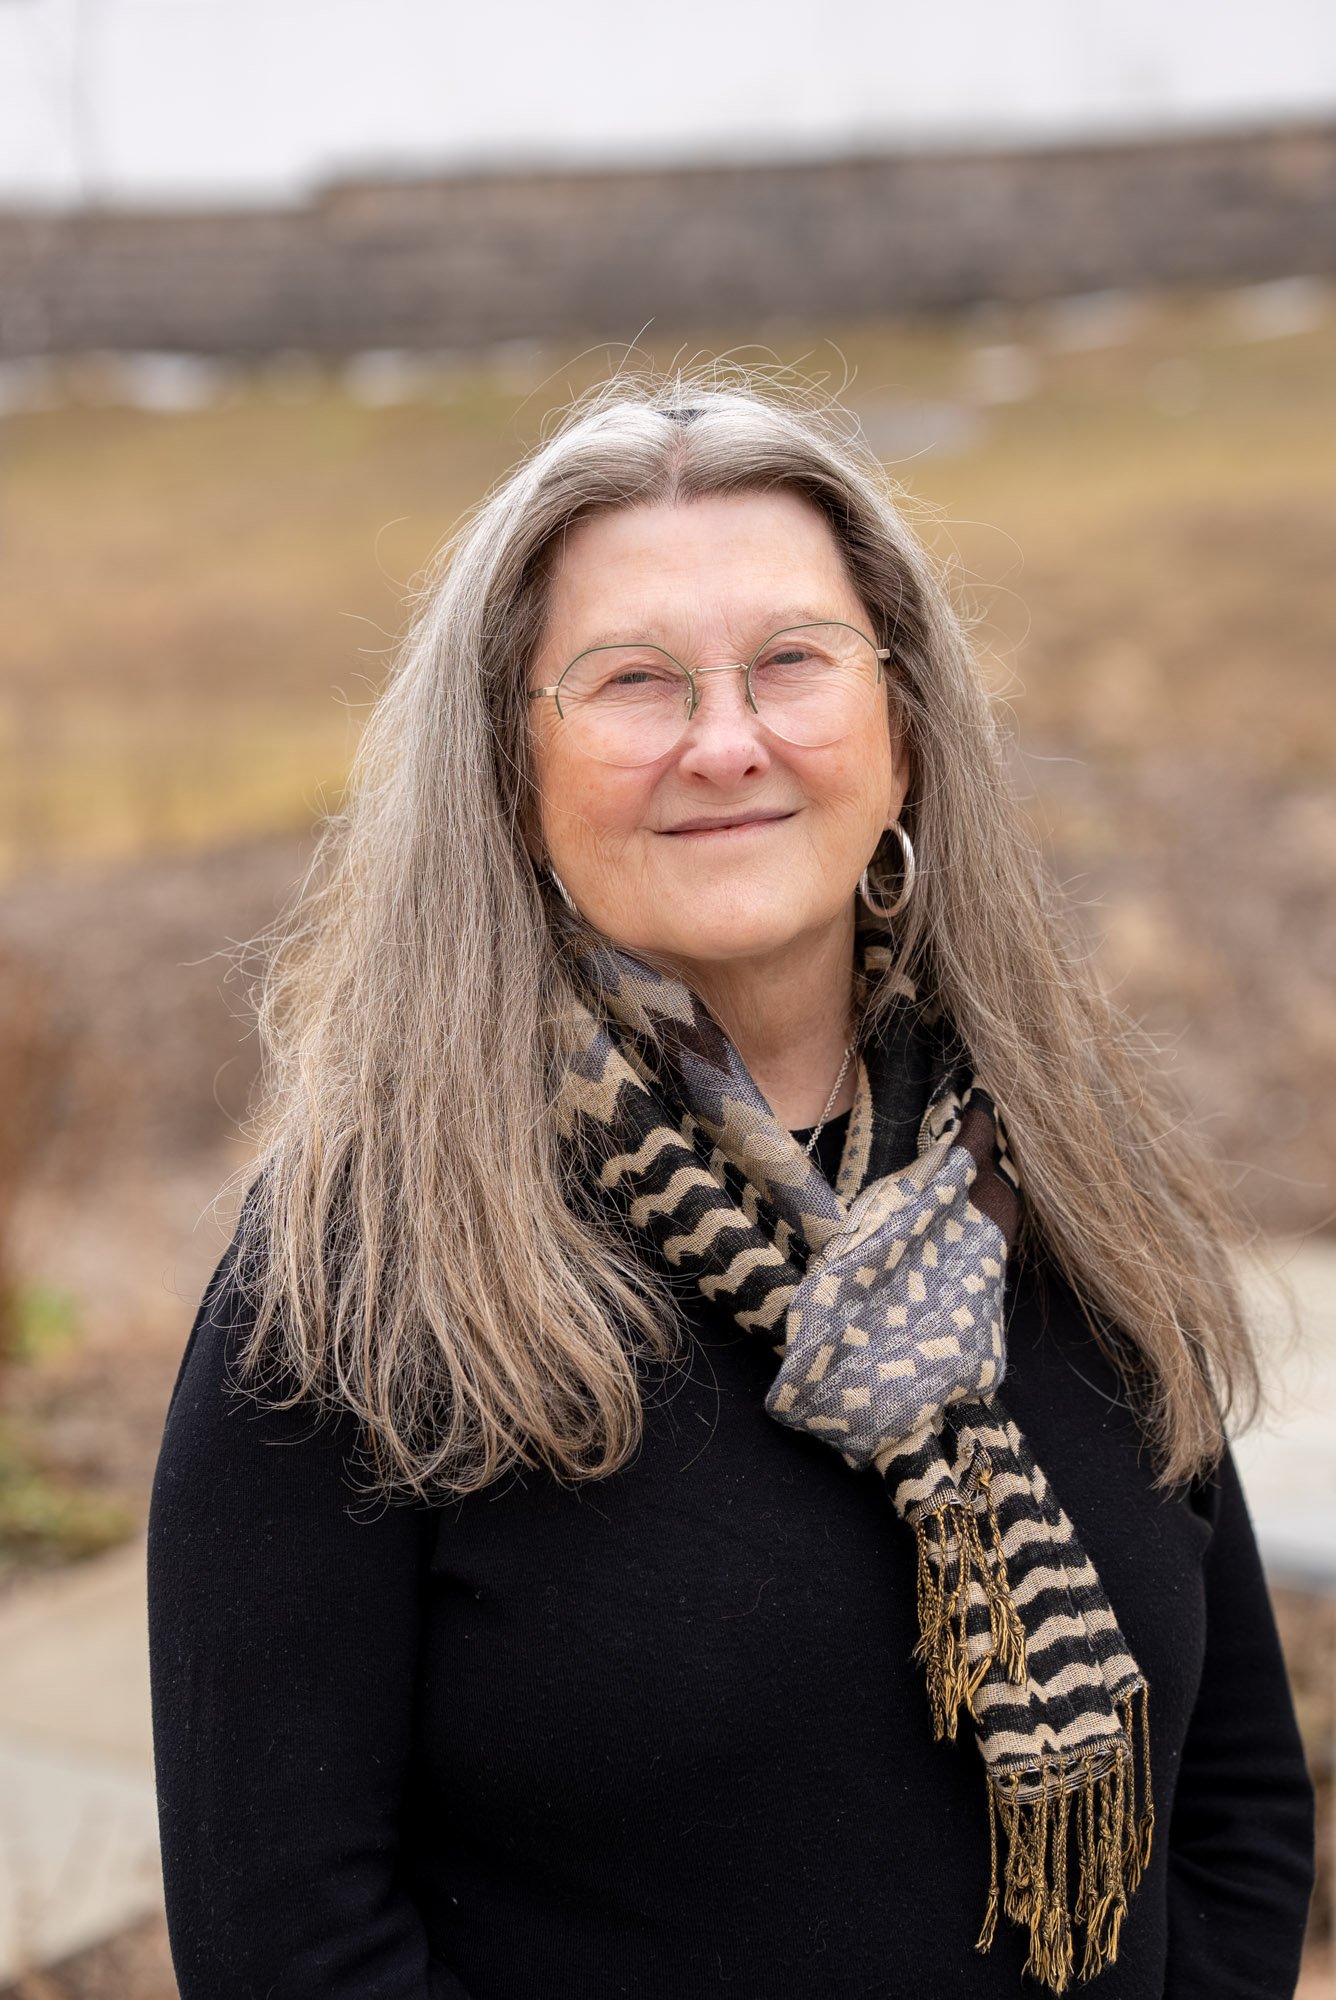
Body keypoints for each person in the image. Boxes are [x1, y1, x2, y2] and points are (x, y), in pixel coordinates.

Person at [147, 372, 1316, 1999]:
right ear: (508, 765)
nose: (725, 741)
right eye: (632, 683)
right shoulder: (359, 1287)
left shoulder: (1050, 1177)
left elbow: (1237, 1808)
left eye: (791, 662)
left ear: (899, 724)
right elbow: (290, 1939)